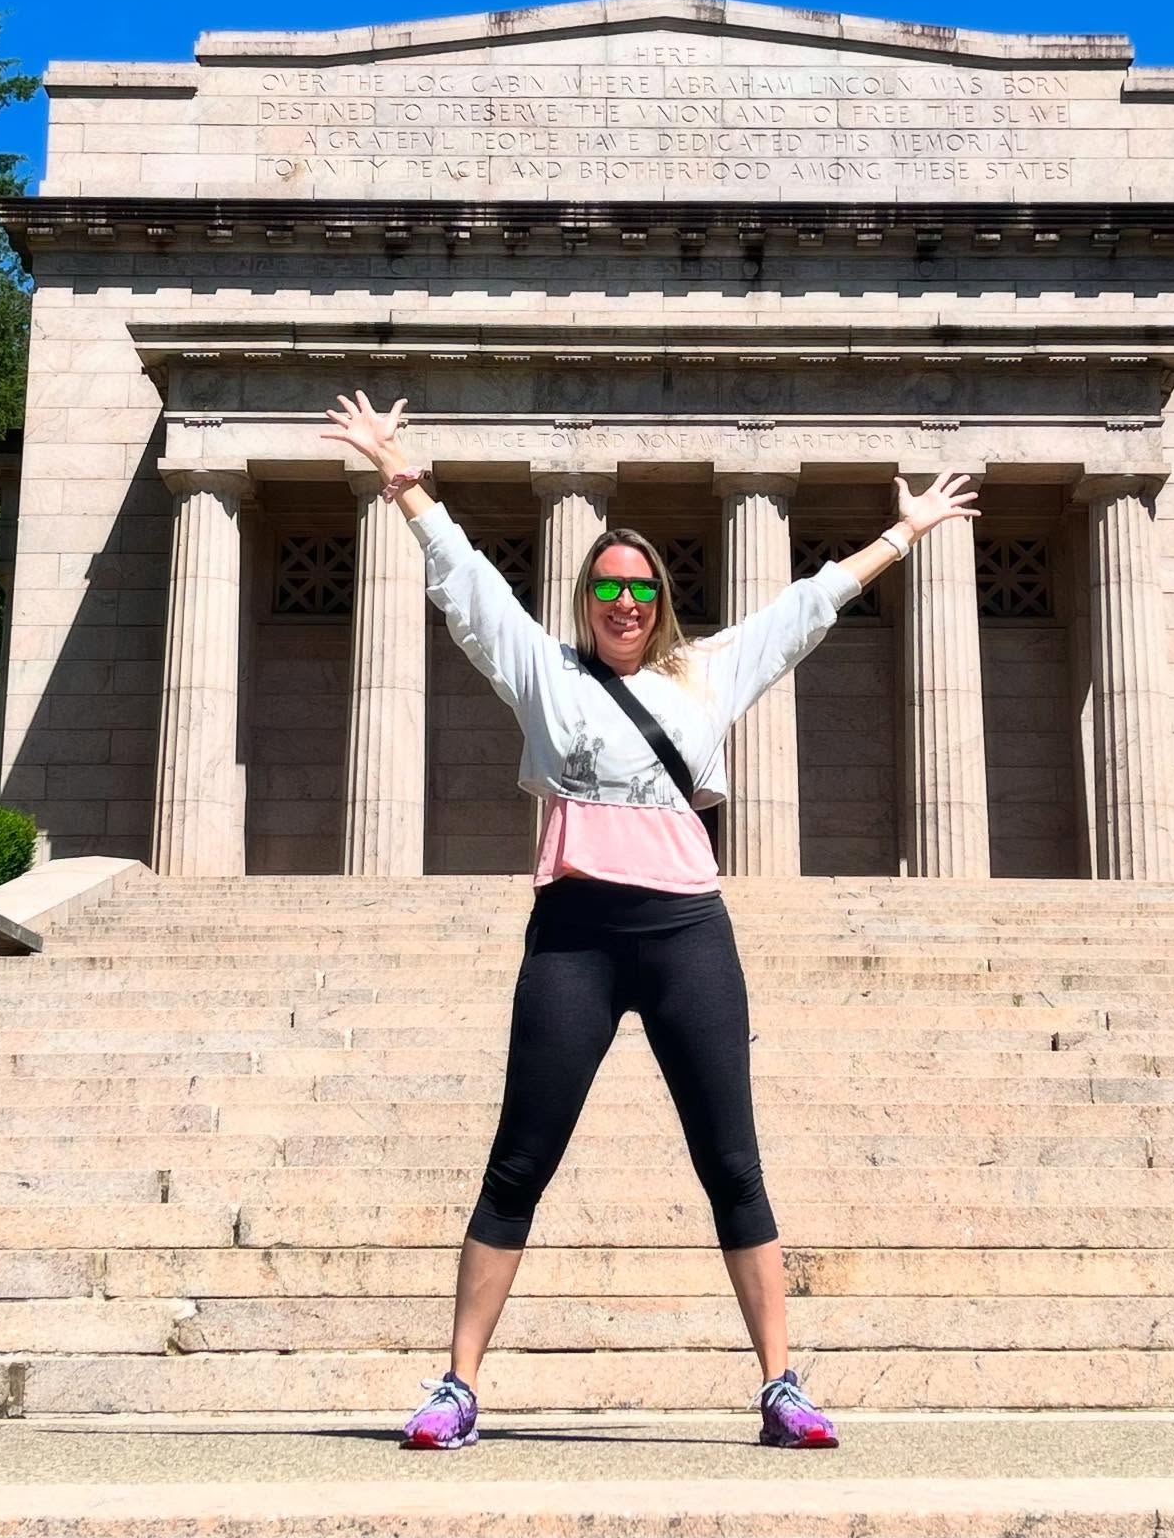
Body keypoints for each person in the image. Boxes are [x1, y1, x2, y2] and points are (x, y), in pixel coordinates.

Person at [320, 390, 981, 1451]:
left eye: (640, 588)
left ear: (661, 602)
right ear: (586, 601)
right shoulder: (544, 673)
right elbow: (468, 582)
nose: (624, 602)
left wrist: (902, 535)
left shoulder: (707, 674)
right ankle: (458, 1386)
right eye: (607, 587)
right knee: (519, 1161)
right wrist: (402, 479)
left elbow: (805, 609)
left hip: (686, 936)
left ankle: (781, 1386)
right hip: (575, 936)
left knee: (732, 1163)